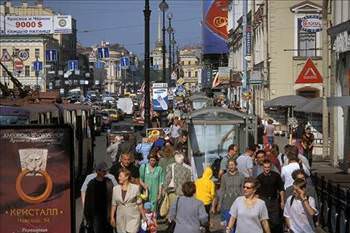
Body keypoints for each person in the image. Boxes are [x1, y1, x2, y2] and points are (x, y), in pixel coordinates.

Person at [110, 168, 145, 233]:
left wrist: (143, 216)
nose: (118, 178)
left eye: (120, 176)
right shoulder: (115, 189)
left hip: (133, 217)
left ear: (126, 177)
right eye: (118, 176)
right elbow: (114, 204)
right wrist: (112, 217)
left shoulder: (135, 188)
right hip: (120, 218)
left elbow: (139, 203)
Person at [83, 162, 114, 233]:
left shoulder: (109, 182)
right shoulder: (92, 184)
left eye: (105, 171)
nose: (105, 172)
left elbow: (112, 198)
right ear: (97, 171)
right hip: (95, 213)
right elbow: (88, 201)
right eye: (103, 171)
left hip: (106, 212)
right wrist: (86, 215)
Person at [257, 159, 285, 233]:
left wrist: (282, 201)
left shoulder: (276, 176)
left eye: (268, 167)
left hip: (274, 200)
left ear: (271, 167)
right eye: (265, 167)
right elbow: (256, 192)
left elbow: (281, 189)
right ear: (263, 167)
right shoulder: (259, 178)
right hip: (263, 201)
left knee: (275, 221)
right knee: (264, 220)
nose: (267, 169)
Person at [218, 159, 244, 228]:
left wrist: (244, 201)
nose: (231, 166)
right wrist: (220, 203)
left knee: (239, 224)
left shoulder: (241, 176)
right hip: (227, 203)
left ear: (236, 165)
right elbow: (222, 190)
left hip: (239, 203)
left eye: (232, 165)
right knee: (229, 224)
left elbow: (243, 190)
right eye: (229, 165)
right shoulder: (224, 176)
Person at [195, 167, 215, 233]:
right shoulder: (211, 182)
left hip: (198, 202)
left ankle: (199, 228)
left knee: (198, 216)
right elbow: (212, 194)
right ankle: (207, 229)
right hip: (207, 202)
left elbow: (194, 191)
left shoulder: (197, 181)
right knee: (206, 216)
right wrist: (212, 202)